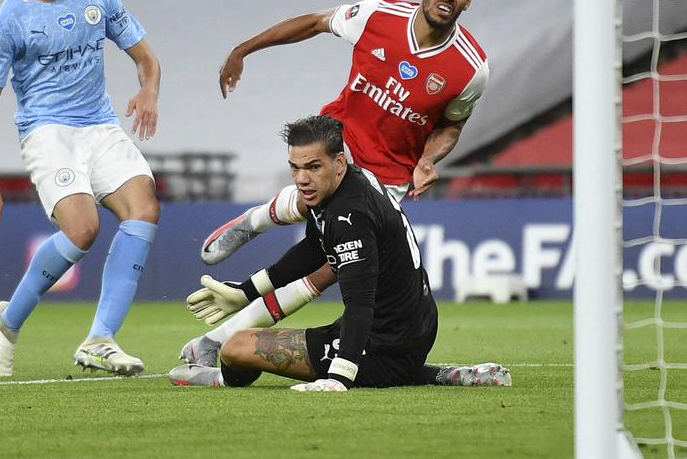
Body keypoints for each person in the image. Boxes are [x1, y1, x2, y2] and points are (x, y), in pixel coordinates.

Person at [182, 0, 489, 367]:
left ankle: (219, 339)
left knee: (329, 270)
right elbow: (313, 22)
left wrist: (428, 159)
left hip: (388, 179)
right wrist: (243, 49)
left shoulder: (472, 69)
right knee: (315, 226)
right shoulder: (378, 16)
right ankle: (257, 220)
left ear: (469, 1)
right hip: (337, 148)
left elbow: (452, 125)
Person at [169, 115, 510, 389]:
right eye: (295, 167)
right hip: (413, 328)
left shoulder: (350, 216)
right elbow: (315, 249)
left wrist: (339, 377)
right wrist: (246, 292)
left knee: (236, 348)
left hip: (382, 342)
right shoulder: (351, 185)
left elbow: (361, 302)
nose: (302, 179)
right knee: (370, 357)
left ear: (339, 162)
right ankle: (434, 375)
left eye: (313, 167)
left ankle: (220, 379)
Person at [0, 0, 162, 378]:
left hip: (99, 125)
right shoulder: (9, 20)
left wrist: (148, 90)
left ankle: (100, 339)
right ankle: (7, 322)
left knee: (145, 208)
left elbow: (145, 58)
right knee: (83, 230)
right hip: (47, 131)